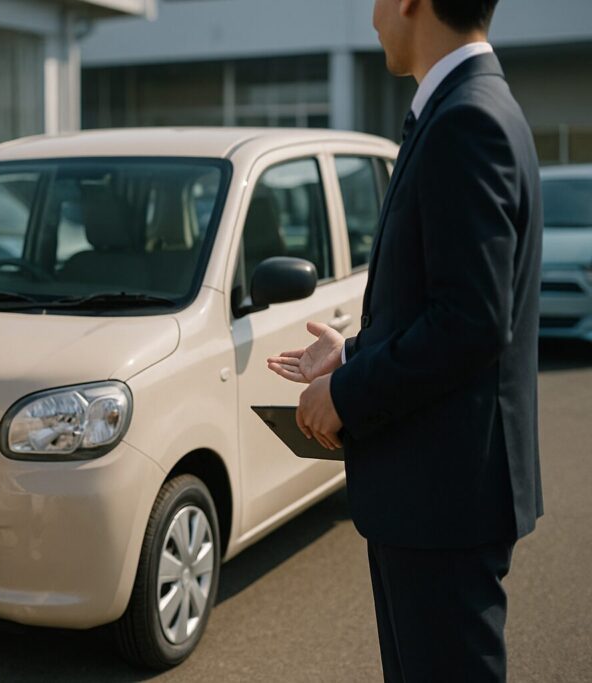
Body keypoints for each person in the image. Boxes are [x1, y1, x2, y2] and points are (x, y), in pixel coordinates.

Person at [267, 0, 542, 680]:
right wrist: (350, 353)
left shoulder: (466, 119)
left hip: (442, 501)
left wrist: (346, 393)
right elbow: (444, 306)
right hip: (437, 493)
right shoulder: (467, 106)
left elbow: (471, 322)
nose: (371, 18)